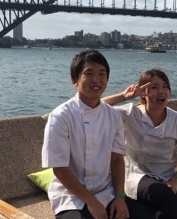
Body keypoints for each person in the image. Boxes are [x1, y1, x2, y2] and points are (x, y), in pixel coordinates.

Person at [42, 49, 152, 219]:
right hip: (71, 196)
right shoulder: (61, 116)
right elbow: (59, 168)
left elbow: (116, 160)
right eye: (89, 73)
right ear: (74, 80)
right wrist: (91, 201)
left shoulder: (113, 116)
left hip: (105, 191)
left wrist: (120, 197)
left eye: (102, 74)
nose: (96, 79)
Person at [103, 68, 177, 219]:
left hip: (168, 179)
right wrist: (124, 96)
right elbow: (96, 107)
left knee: (163, 211)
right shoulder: (130, 113)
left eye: (165, 86)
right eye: (154, 87)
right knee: (162, 194)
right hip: (138, 175)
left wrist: (174, 181)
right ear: (143, 93)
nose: (161, 91)